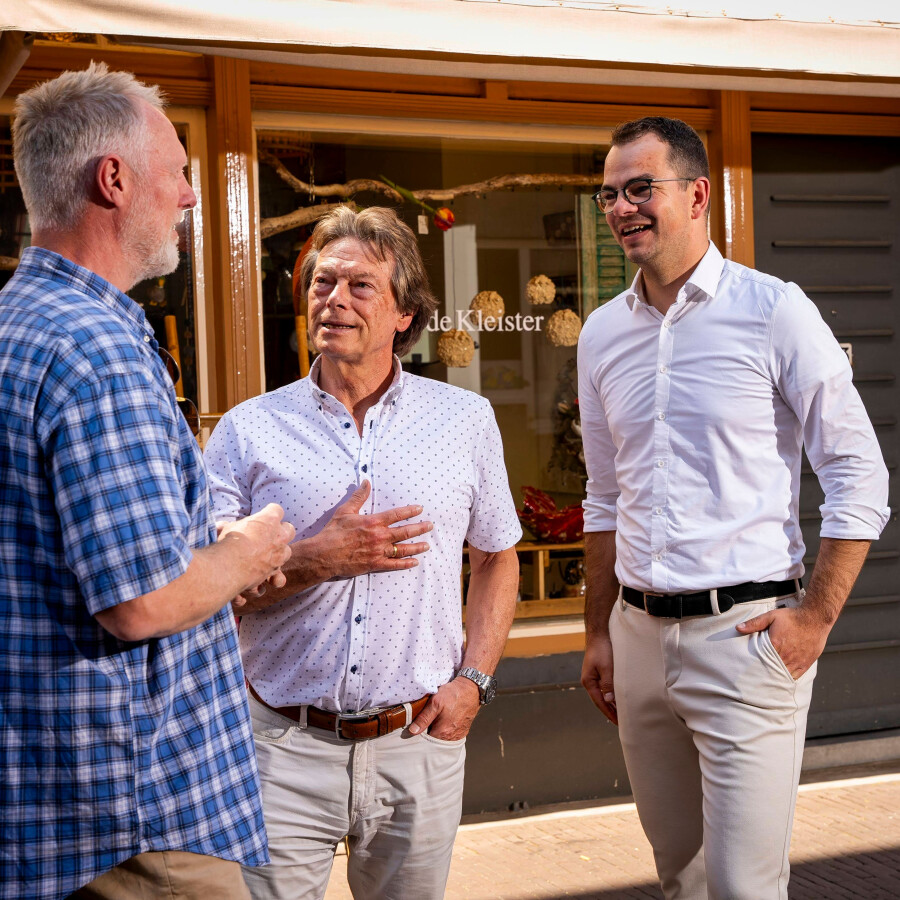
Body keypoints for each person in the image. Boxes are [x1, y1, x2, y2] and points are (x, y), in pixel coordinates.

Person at [0, 63, 297, 900]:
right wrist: (245, 553)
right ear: (115, 180)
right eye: (178, 171)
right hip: (132, 821)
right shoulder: (96, 350)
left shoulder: (17, 320)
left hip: (44, 805)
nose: (191, 196)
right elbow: (140, 601)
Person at [578, 116, 889, 900]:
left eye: (640, 188)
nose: (621, 208)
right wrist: (598, 631)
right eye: (609, 195)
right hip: (637, 638)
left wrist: (815, 619)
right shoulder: (601, 334)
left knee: (744, 887)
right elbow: (604, 497)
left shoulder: (774, 310)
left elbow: (859, 474)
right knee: (678, 877)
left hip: (746, 638)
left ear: (698, 195)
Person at [204, 205, 522, 900]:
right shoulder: (247, 430)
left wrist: (473, 683)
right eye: (322, 282)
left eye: (359, 286)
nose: (333, 299)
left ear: (405, 313)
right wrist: (313, 560)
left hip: (418, 745)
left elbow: (497, 556)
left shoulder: (465, 419)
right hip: (280, 749)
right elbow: (204, 592)